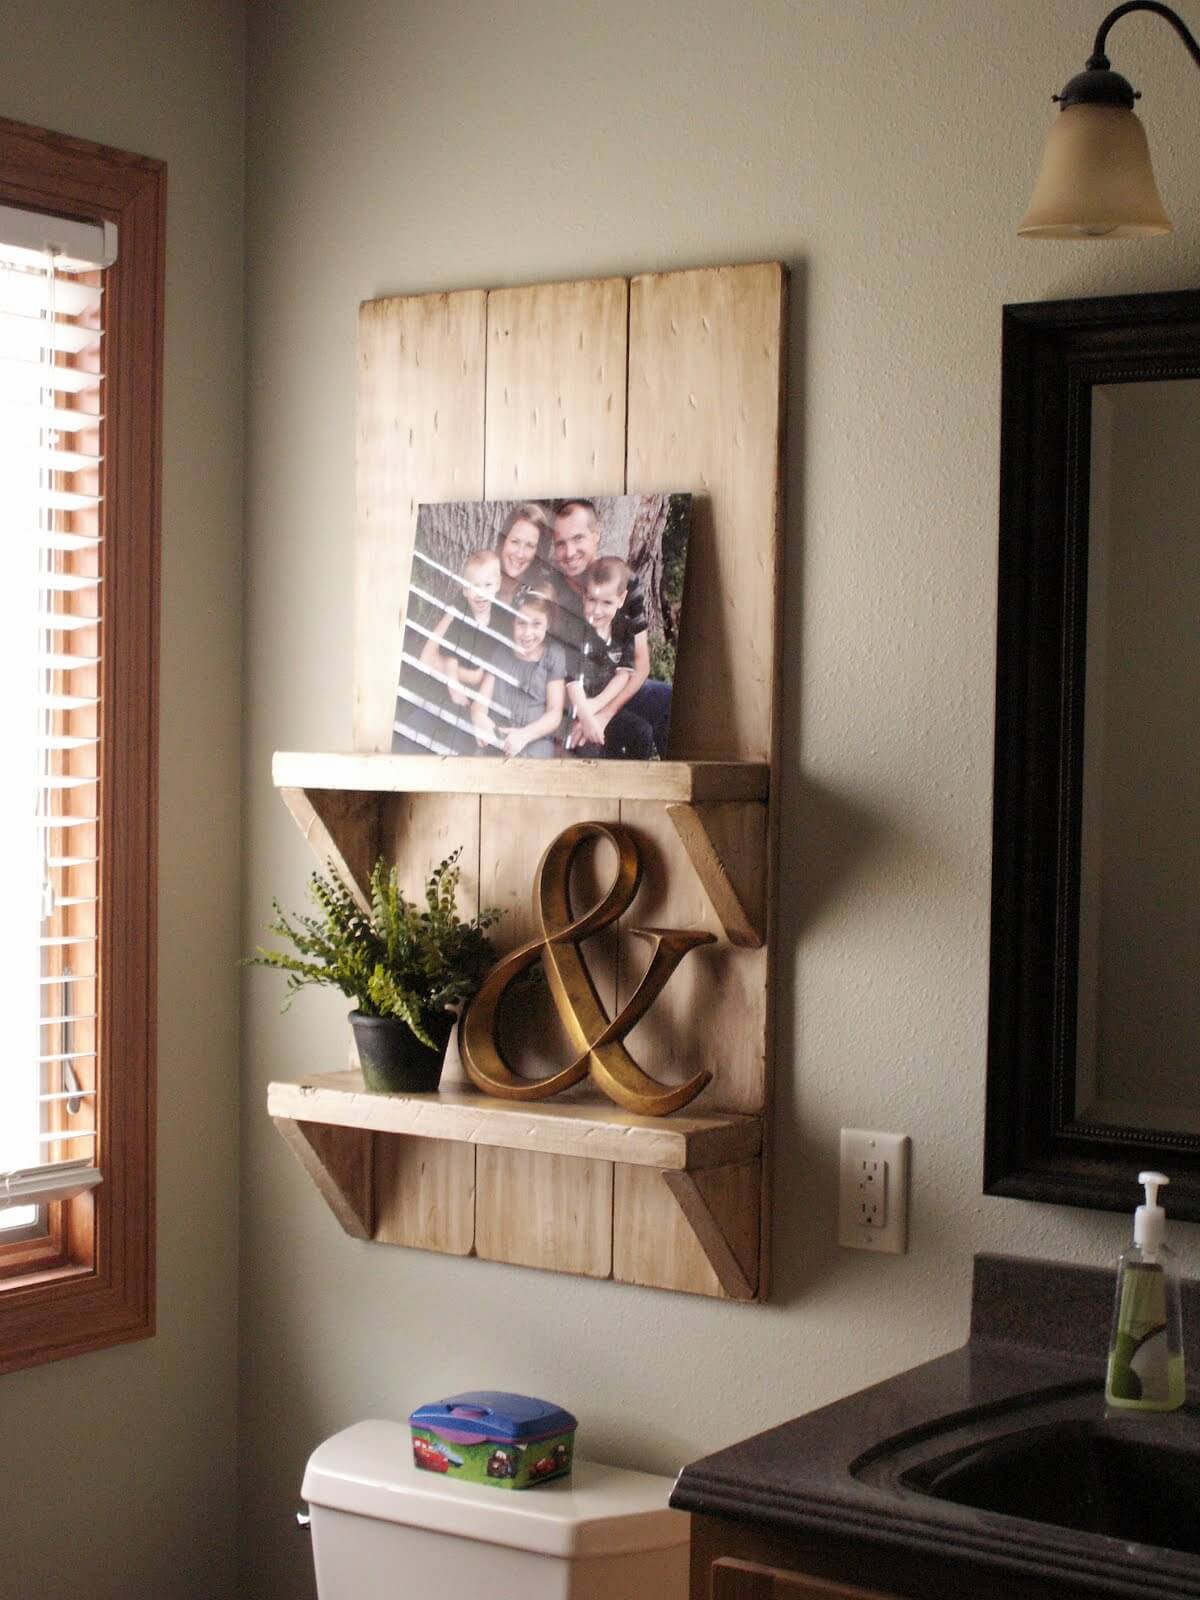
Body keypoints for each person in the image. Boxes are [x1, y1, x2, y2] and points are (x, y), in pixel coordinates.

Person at [550, 499, 672, 757]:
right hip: (568, 696)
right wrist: (582, 714)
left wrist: (603, 714)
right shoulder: (552, 591)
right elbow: (554, 670)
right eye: (561, 543)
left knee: (667, 700)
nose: (569, 551)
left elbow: (640, 663)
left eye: (578, 538)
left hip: (613, 687)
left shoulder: (624, 581)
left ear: (596, 535)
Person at [565, 557, 655, 759]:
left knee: (642, 732)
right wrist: (587, 717)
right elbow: (572, 684)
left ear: (621, 599)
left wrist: (597, 708)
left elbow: (622, 675)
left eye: (607, 602)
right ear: (583, 596)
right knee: (590, 747)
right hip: (574, 709)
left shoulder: (625, 628)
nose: (597, 611)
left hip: (602, 704)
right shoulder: (576, 630)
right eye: (592, 600)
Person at [470, 584, 566, 758]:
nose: (527, 633)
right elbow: (479, 703)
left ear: (548, 624)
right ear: (513, 621)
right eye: (521, 622)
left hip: (534, 739)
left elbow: (554, 713)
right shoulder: (501, 652)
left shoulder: (553, 654)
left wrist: (524, 735)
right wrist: (480, 719)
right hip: (499, 737)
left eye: (536, 624)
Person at [494, 502, 551, 605]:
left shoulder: (538, 595)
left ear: (537, 553)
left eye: (529, 546)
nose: (520, 554)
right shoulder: (482, 577)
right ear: (503, 541)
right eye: (515, 542)